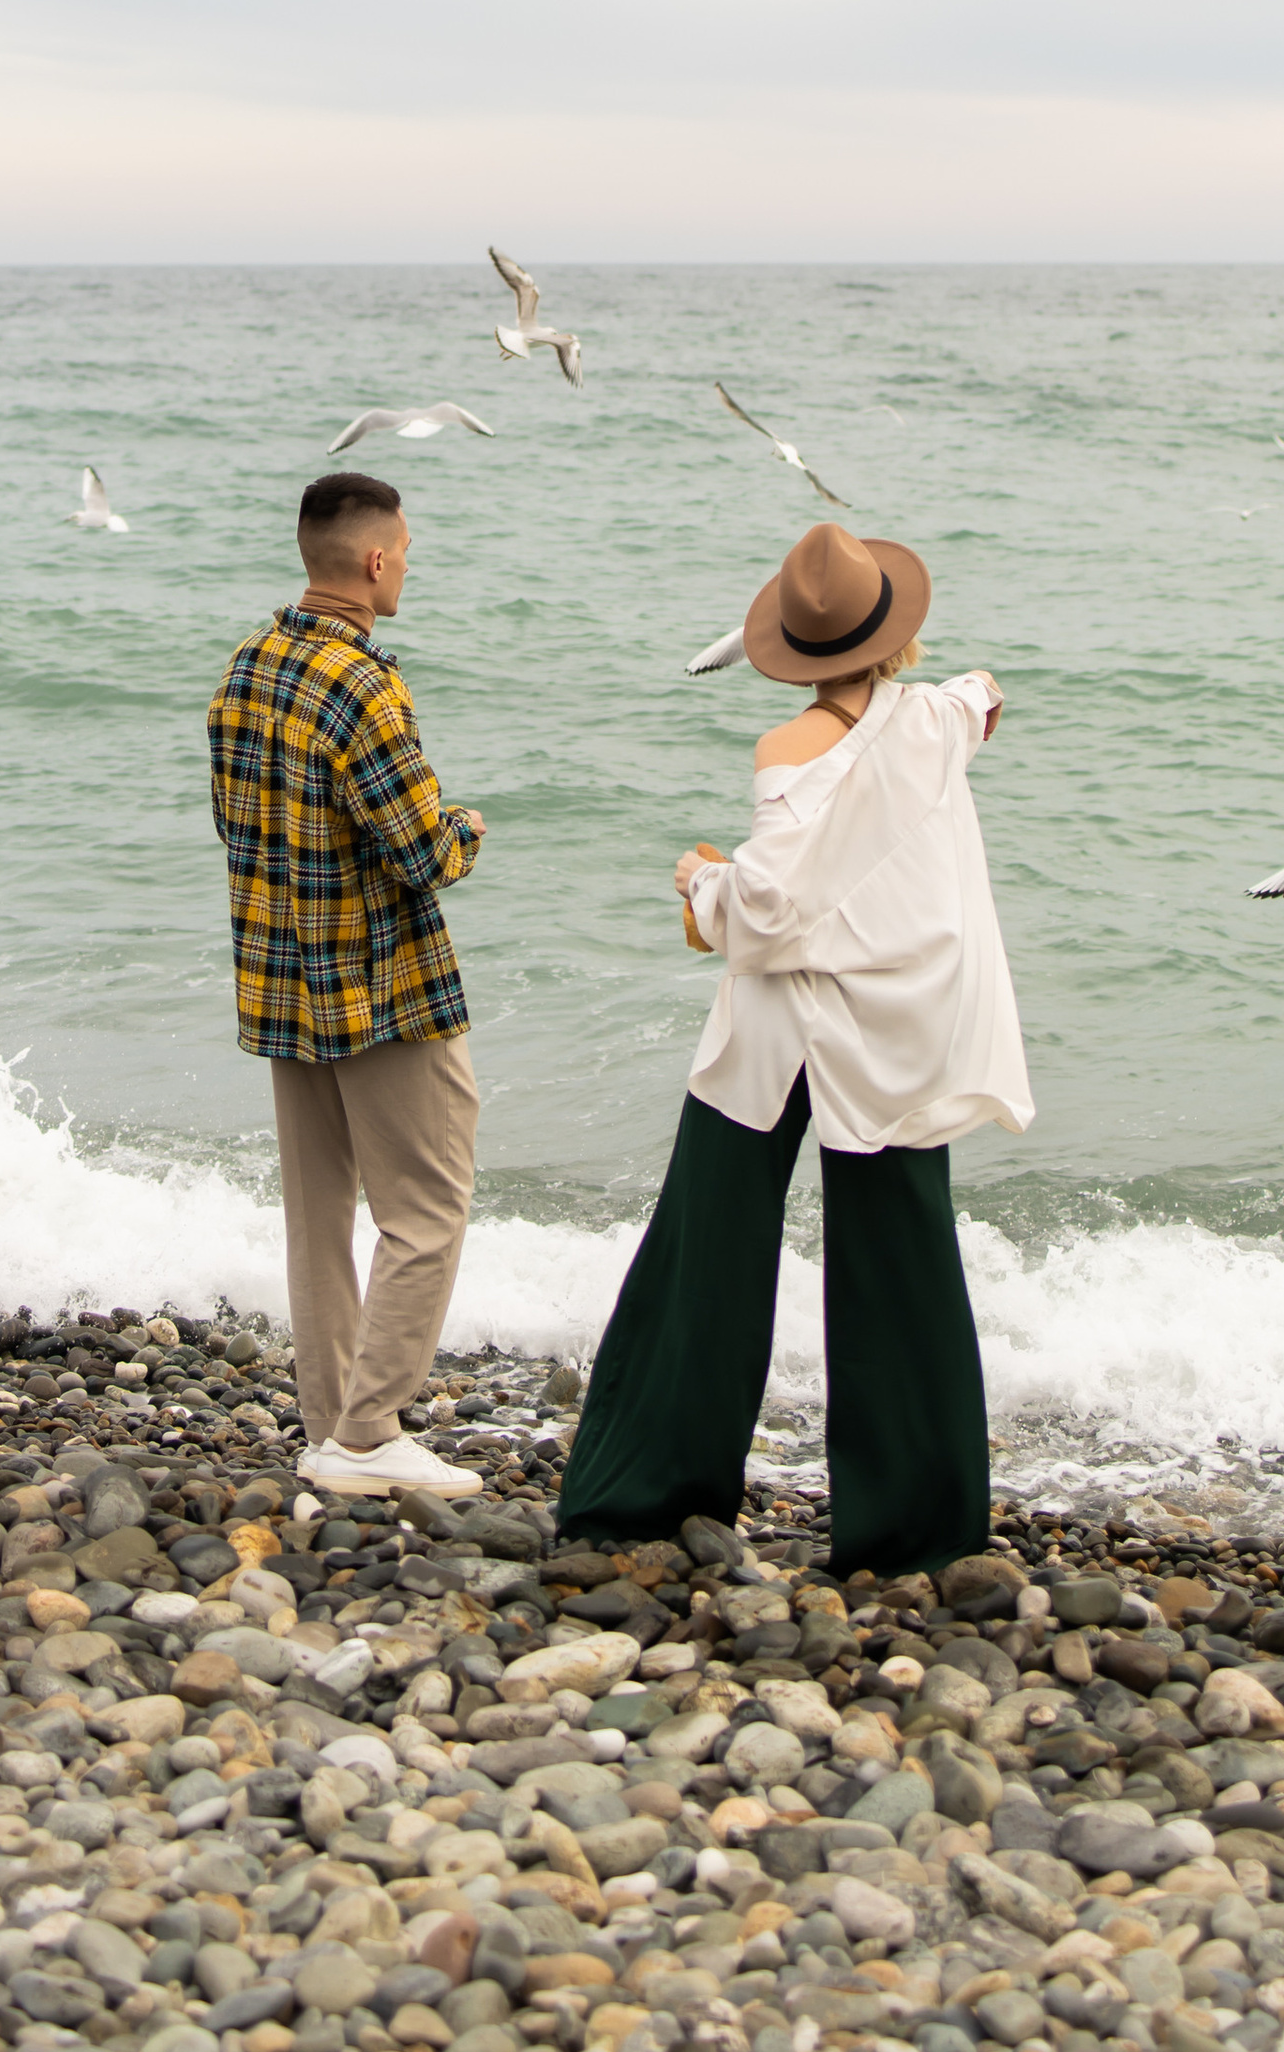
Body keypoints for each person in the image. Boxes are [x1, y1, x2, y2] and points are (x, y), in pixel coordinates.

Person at [558, 518, 1030, 1575]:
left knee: (708, 1250)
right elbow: (984, 697)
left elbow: (767, 912)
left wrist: (698, 881)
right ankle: (918, 1524)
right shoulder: (944, 718)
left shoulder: (787, 749)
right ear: (890, 634)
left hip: (781, 1024)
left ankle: (651, 1491)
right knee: (903, 1262)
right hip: (896, 1031)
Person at [206, 469, 489, 1502]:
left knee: (319, 1212)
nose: (408, 564)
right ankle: (369, 1434)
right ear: (374, 561)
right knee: (427, 1207)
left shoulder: (247, 666)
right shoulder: (364, 685)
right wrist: (464, 832)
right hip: (382, 989)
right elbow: (419, 852)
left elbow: (240, 828)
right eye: (404, 550)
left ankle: (330, 1424)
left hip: (281, 981)